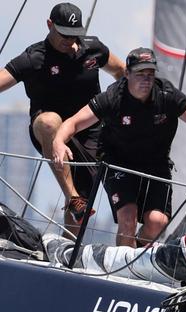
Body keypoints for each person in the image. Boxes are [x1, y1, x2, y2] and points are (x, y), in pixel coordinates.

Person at [52, 47, 186, 247]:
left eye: (150, 74)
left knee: (157, 222)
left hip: (156, 164)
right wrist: (58, 142)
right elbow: (73, 123)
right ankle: (122, 263)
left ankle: (136, 259)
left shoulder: (166, 95)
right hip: (118, 163)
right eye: (140, 74)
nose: (146, 80)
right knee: (128, 217)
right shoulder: (113, 97)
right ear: (127, 73)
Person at [0, 2, 125, 233]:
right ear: (49, 25)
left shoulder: (92, 49)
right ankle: (72, 196)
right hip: (47, 128)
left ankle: (67, 257)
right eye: (64, 34)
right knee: (50, 122)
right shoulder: (34, 57)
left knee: (81, 213)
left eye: (74, 35)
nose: (70, 41)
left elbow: (121, 72)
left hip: (88, 132)